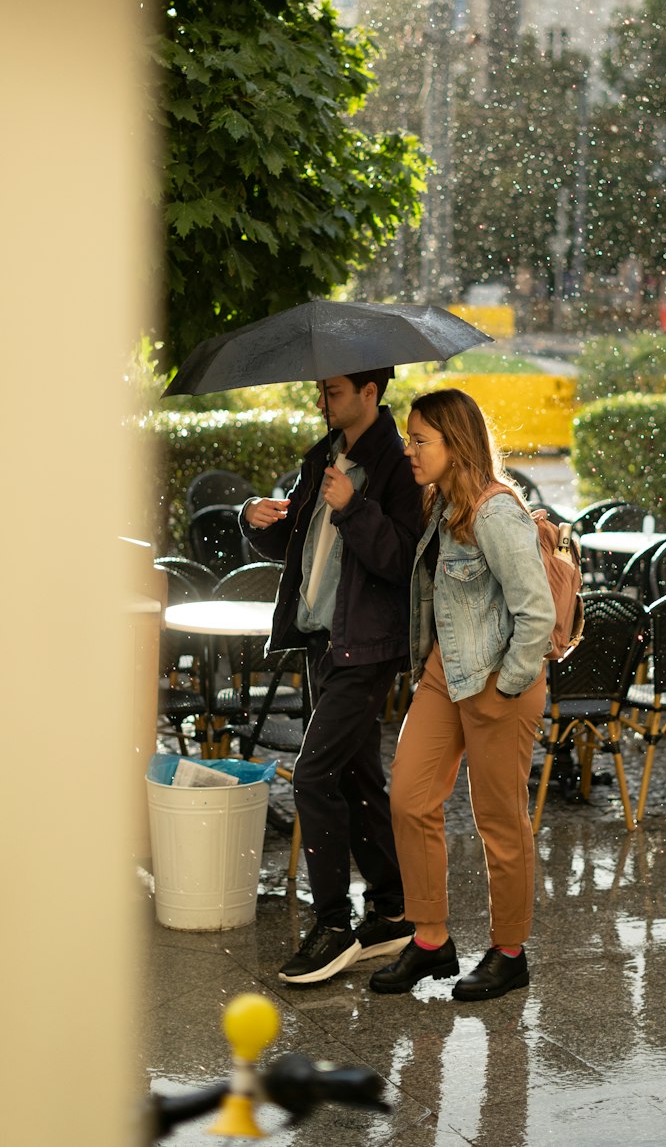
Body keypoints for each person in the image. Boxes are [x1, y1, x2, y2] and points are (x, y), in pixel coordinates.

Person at [370, 388, 555, 1002]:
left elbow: (537, 613)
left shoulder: (495, 514)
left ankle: (508, 952)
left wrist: (507, 686)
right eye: (410, 438)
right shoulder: (441, 505)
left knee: (499, 823)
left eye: (421, 440)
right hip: (444, 674)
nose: (409, 449)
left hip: (499, 679)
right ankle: (430, 940)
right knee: (410, 797)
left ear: (457, 444)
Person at [239, 367, 423, 985]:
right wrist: (256, 519)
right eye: (318, 390)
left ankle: (334, 925)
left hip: (367, 648)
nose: (322, 401)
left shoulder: (397, 465)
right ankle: (395, 907)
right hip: (324, 642)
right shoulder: (323, 455)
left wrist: (354, 508)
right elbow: (297, 544)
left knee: (314, 775)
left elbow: (401, 560)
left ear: (370, 393)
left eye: (334, 392)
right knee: (356, 774)